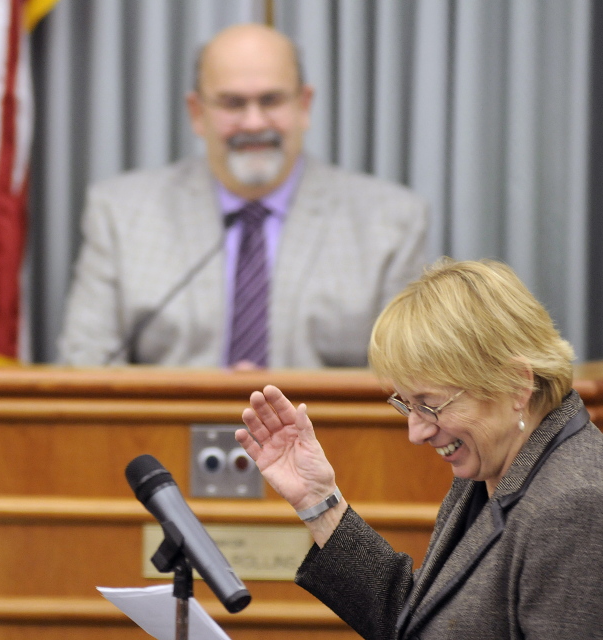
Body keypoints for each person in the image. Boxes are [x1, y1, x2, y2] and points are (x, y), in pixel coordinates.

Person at [235, 259, 603, 638]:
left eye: (430, 404)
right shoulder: (488, 469)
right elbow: (416, 621)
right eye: (407, 404)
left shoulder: (577, 505)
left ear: (516, 384)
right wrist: (319, 502)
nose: (416, 431)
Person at [58, 23, 428, 368]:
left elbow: (409, 382)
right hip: (159, 437)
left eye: (270, 100)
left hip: (325, 438)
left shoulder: (390, 222)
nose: (253, 123)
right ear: (197, 112)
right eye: (233, 104)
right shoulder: (121, 213)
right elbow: (84, 363)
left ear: (304, 105)